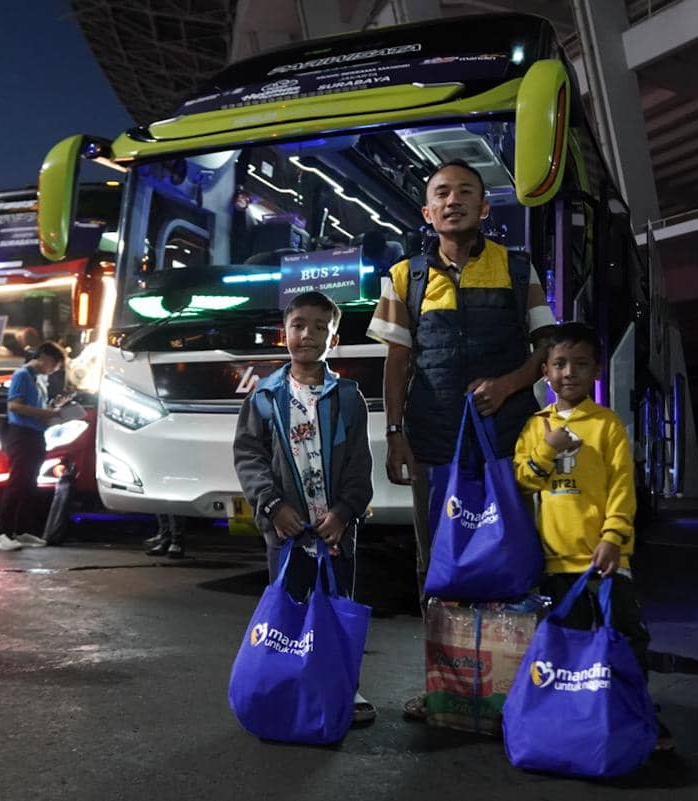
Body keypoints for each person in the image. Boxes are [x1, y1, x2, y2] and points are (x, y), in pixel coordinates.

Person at [365, 159, 557, 718]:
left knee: (513, 552)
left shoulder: (517, 268)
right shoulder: (404, 276)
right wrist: (395, 433)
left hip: (509, 439)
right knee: (438, 562)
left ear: (484, 206)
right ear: (428, 212)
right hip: (435, 440)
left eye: (465, 191)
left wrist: (510, 384)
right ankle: (443, 688)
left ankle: (515, 684)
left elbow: (548, 347)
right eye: (442, 193)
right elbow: (397, 361)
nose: (454, 201)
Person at [514, 322, 674, 752]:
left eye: (581, 364)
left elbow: (622, 488)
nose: (569, 372)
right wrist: (549, 448)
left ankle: (636, 712)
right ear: (545, 371)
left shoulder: (607, 425)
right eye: (560, 364)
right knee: (568, 646)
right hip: (555, 562)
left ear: (597, 371)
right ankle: (576, 717)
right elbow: (523, 480)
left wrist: (613, 538)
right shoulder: (535, 427)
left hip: (606, 561)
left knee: (625, 640)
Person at [234, 291, 376, 725]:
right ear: (284, 334)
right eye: (298, 325)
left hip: (335, 532)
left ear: (334, 340)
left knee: (336, 607)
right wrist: (273, 506)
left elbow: (359, 464)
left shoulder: (348, 398)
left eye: (319, 327)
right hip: (287, 533)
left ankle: (344, 687)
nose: (307, 334)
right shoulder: (264, 397)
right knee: (289, 610)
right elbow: (249, 458)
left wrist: (344, 513)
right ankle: (288, 684)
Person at [0, 342, 66, 551]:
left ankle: (22, 531)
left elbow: (34, 407)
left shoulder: (38, 380)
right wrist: (46, 413)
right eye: (54, 365)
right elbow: (14, 405)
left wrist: (53, 407)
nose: (53, 370)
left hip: (35, 434)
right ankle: (3, 534)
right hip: (21, 434)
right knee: (17, 483)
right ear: (45, 357)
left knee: (29, 484)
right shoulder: (22, 375)